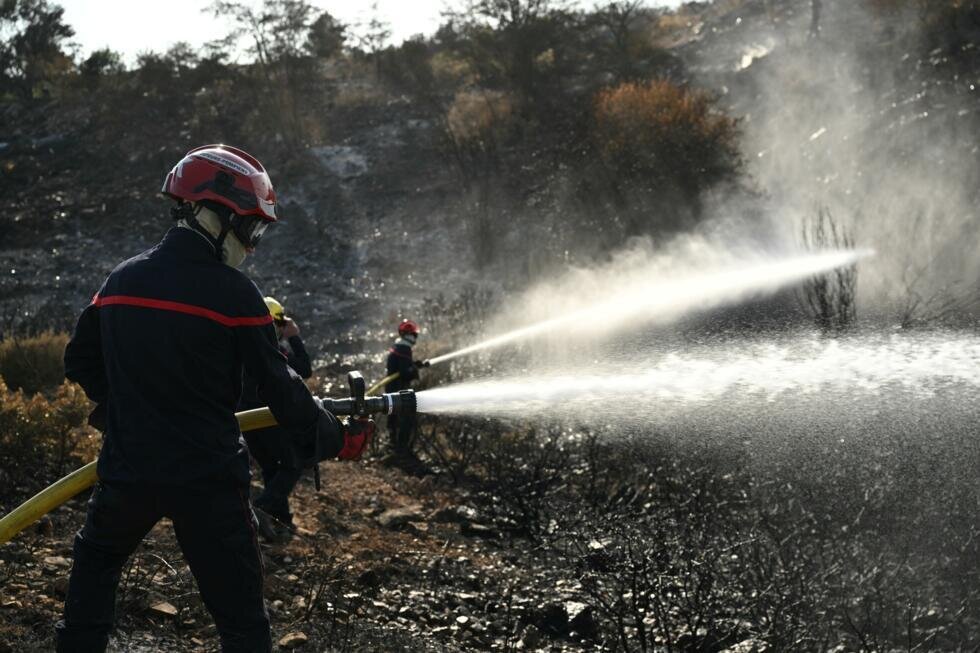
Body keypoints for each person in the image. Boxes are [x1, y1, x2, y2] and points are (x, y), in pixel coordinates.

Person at [57, 144, 374, 653]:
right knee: (243, 623)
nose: (252, 244)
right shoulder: (234, 294)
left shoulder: (120, 281)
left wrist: (124, 412)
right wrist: (337, 438)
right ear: (212, 213)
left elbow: (79, 361)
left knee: (91, 586)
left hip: (127, 471)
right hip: (208, 482)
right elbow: (283, 390)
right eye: (251, 228)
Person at [240, 296, 312, 541]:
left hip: (247, 420)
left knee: (272, 468)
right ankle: (260, 510)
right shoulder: (273, 351)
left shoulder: (241, 345)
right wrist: (294, 336)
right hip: (269, 418)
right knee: (292, 465)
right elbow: (305, 368)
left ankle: (282, 522)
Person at [384, 319, 428, 463]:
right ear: (410, 335)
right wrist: (413, 370)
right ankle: (401, 451)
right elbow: (404, 373)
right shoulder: (404, 349)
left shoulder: (399, 347)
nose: (415, 338)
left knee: (394, 419)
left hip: (392, 389)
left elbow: (402, 367)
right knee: (406, 420)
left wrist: (416, 365)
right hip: (399, 391)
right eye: (414, 335)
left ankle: (394, 447)